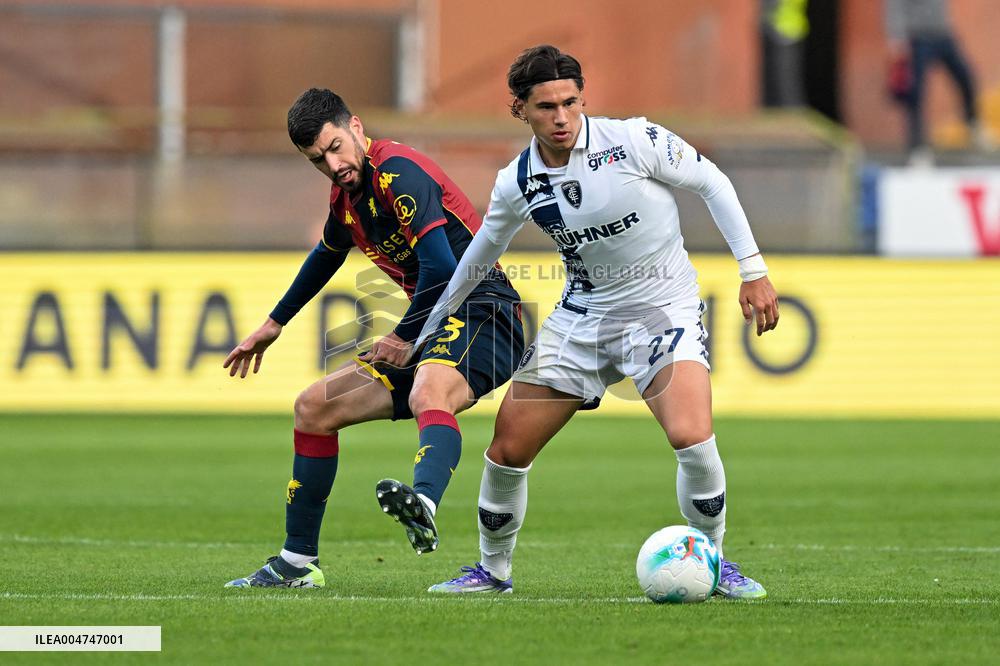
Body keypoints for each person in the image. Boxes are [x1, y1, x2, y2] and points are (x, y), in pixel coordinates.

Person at [418, 45, 779, 598]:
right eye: (546, 107)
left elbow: (714, 183)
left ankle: (716, 561)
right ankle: (492, 572)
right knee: (507, 450)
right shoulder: (516, 181)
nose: (561, 118)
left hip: (663, 308)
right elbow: (479, 256)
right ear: (520, 111)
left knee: (691, 435)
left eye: (570, 103)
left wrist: (752, 271)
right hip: (582, 317)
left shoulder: (635, 140)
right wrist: (422, 329)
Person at [223, 88, 524, 588]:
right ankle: (296, 564)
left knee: (431, 389)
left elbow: (444, 267)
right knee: (314, 408)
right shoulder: (347, 200)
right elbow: (326, 254)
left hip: (484, 311)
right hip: (430, 320)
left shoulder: (397, 172)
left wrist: (405, 335)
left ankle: (423, 503)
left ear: (357, 127)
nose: (334, 164)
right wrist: (274, 323)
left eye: (337, 147)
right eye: (318, 160)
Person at [884, 0, 992, 163]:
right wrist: (897, 37)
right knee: (916, 93)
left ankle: (973, 125)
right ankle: (917, 148)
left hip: (943, 34)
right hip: (917, 37)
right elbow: (894, 5)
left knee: (966, 78)